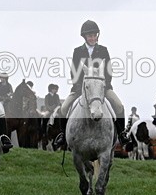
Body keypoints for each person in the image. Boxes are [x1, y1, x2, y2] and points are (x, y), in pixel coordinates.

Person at [54, 20, 125, 150]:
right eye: (90, 36)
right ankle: (63, 135)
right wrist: (79, 87)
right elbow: (74, 71)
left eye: (94, 35)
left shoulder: (103, 50)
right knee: (63, 108)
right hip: (80, 88)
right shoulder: (77, 51)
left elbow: (108, 70)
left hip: (101, 88)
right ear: (85, 37)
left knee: (119, 106)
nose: (92, 38)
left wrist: (105, 85)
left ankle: (122, 134)